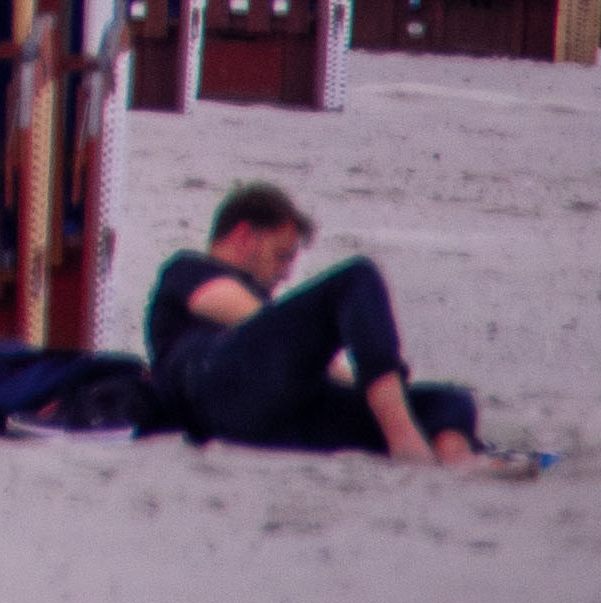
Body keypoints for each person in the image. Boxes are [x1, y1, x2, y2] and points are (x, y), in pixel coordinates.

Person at [141, 183, 483, 459]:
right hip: (213, 387)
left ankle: (456, 462)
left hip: (282, 417)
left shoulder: (268, 318)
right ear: (245, 236)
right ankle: (404, 441)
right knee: (356, 279)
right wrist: (340, 361)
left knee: (448, 399)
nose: (286, 273)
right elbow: (247, 317)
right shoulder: (188, 270)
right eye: (281, 255)